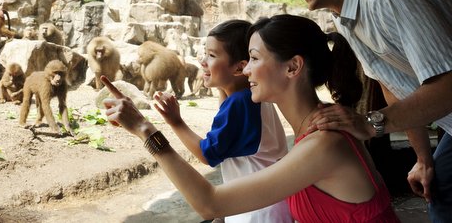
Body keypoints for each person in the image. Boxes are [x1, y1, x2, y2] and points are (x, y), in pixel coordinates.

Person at [102, 14, 400, 222]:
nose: (246, 70)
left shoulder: (324, 142)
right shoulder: (317, 127)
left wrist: (144, 128)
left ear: (293, 67)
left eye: (254, 59)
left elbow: (209, 203)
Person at [286, 0, 452, 222]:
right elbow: (393, 84)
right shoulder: (345, 18)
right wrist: (423, 159)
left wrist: (372, 123)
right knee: (440, 191)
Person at [153, 19, 291, 223]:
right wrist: (221, 84)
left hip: (256, 214)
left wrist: (176, 122)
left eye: (212, 55)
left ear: (239, 68)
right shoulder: (253, 96)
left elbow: (207, 154)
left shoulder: (239, 103)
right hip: (269, 207)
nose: (202, 61)